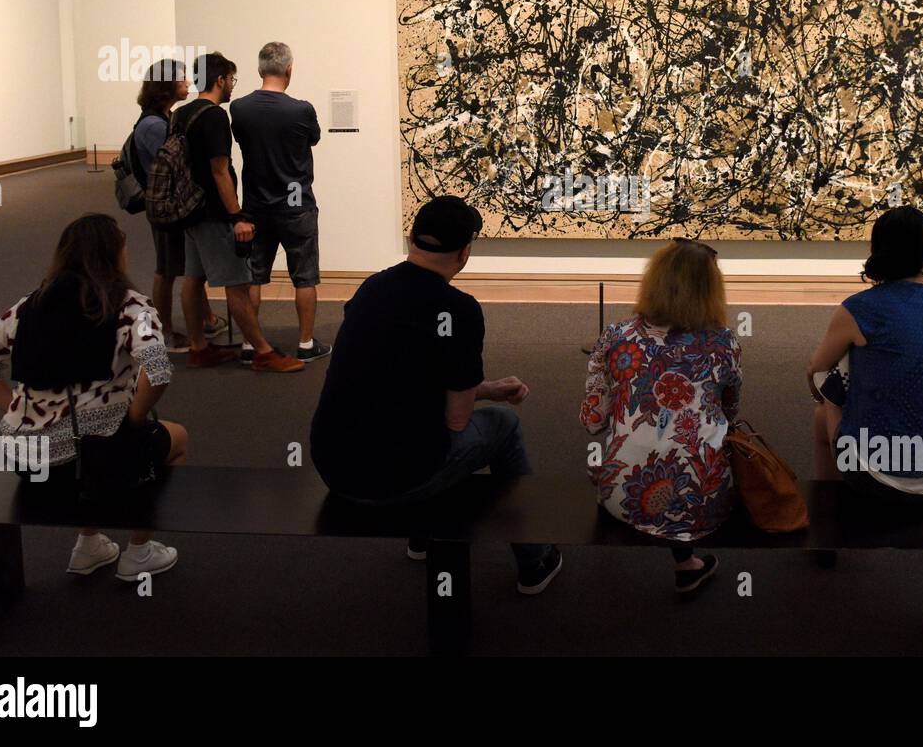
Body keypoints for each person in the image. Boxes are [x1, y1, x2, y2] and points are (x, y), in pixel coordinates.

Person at [310, 195, 563, 595]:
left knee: (407, 424)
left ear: (412, 237)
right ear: (464, 253)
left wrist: (487, 389)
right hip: (391, 484)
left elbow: (400, 379)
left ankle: (421, 536)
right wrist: (483, 397)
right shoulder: (457, 309)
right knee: (504, 424)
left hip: (334, 466)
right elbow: (456, 420)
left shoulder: (371, 288)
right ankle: (534, 558)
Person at [0, 214, 187, 579]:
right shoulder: (131, 308)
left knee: (90, 446)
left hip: (29, 462)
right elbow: (158, 371)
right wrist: (133, 420)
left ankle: (88, 545)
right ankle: (139, 551)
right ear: (114, 255)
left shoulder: (29, 305)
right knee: (177, 437)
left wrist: (14, 406)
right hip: (92, 463)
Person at [581, 238, 739, 594]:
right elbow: (729, 411)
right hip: (704, 498)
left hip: (621, 495)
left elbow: (592, 421)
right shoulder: (724, 342)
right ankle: (688, 563)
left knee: (627, 454)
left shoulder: (616, 336)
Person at [805, 205, 923, 502]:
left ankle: (828, 511)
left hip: (881, 475)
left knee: (824, 409)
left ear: (875, 249)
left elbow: (815, 369)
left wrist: (824, 394)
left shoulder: (858, 309)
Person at [172, 52, 303, 372]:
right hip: (214, 213)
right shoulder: (214, 116)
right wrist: (237, 216)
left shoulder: (180, 114)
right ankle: (262, 351)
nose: (232, 86)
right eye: (231, 80)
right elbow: (219, 170)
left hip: (189, 210)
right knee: (237, 283)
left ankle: (198, 347)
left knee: (193, 279)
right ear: (220, 80)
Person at [230, 42, 330, 364]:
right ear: (289, 69)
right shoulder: (301, 110)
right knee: (305, 276)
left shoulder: (240, 108)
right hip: (296, 200)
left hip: (256, 204)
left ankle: (250, 343)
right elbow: (313, 138)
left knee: (254, 276)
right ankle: (305, 342)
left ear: (260, 69)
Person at [134, 58, 227, 352]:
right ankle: (166, 332)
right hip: (167, 207)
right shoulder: (153, 125)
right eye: (181, 78)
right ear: (166, 85)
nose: (187, 83)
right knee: (167, 269)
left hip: (173, 204)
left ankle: (207, 319)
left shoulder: (165, 117)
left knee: (185, 267)